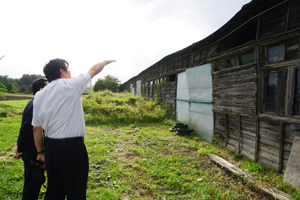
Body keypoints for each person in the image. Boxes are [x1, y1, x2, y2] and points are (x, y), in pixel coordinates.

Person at [32, 58, 115, 200]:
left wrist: (41, 152)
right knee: (75, 191)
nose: (70, 72)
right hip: (72, 149)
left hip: (51, 148)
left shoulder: (39, 95)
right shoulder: (72, 85)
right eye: (68, 69)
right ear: (61, 71)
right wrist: (106, 62)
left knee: (54, 190)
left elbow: (36, 129)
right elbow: (94, 69)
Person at [14, 78, 48, 200]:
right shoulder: (35, 105)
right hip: (33, 151)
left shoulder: (34, 103)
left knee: (35, 182)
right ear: (41, 90)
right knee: (32, 184)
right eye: (48, 86)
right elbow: (27, 129)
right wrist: (21, 149)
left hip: (34, 149)